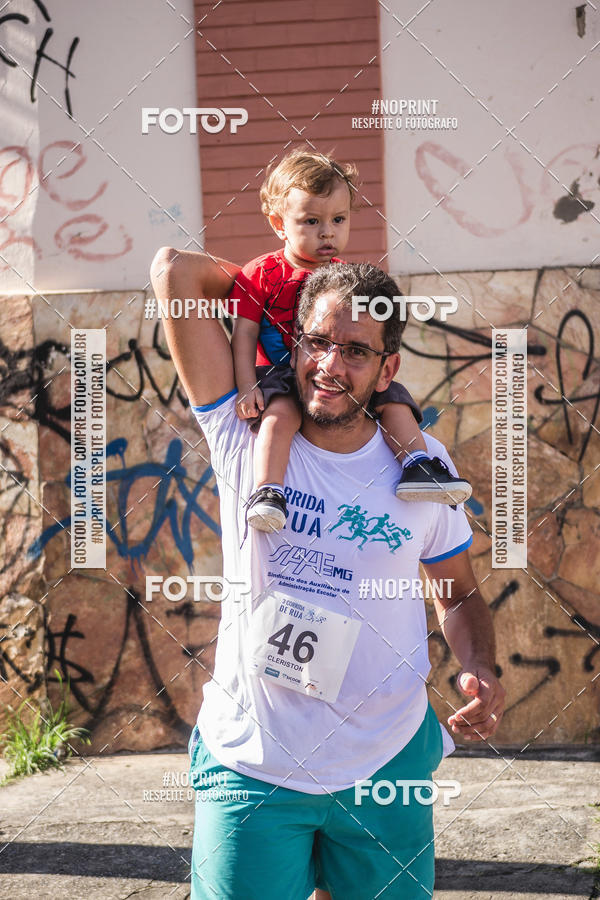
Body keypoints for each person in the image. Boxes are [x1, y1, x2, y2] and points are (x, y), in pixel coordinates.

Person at [150, 250, 505, 900]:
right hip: (252, 767)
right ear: (294, 343)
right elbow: (174, 272)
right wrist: (279, 275)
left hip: (384, 766)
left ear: (388, 368)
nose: (329, 366)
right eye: (316, 341)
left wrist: (479, 662)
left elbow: (457, 591)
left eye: (356, 350)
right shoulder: (245, 432)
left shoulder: (422, 467)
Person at [227, 149, 471, 532]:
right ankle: (268, 492)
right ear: (278, 224)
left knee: (394, 400)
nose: (327, 232)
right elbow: (243, 334)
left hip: (340, 377)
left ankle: (418, 465)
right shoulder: (261, 274)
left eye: (338, 219)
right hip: (281, 376)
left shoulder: (347, 278)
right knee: (279, 417)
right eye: (311, 221)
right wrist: (246, 387)